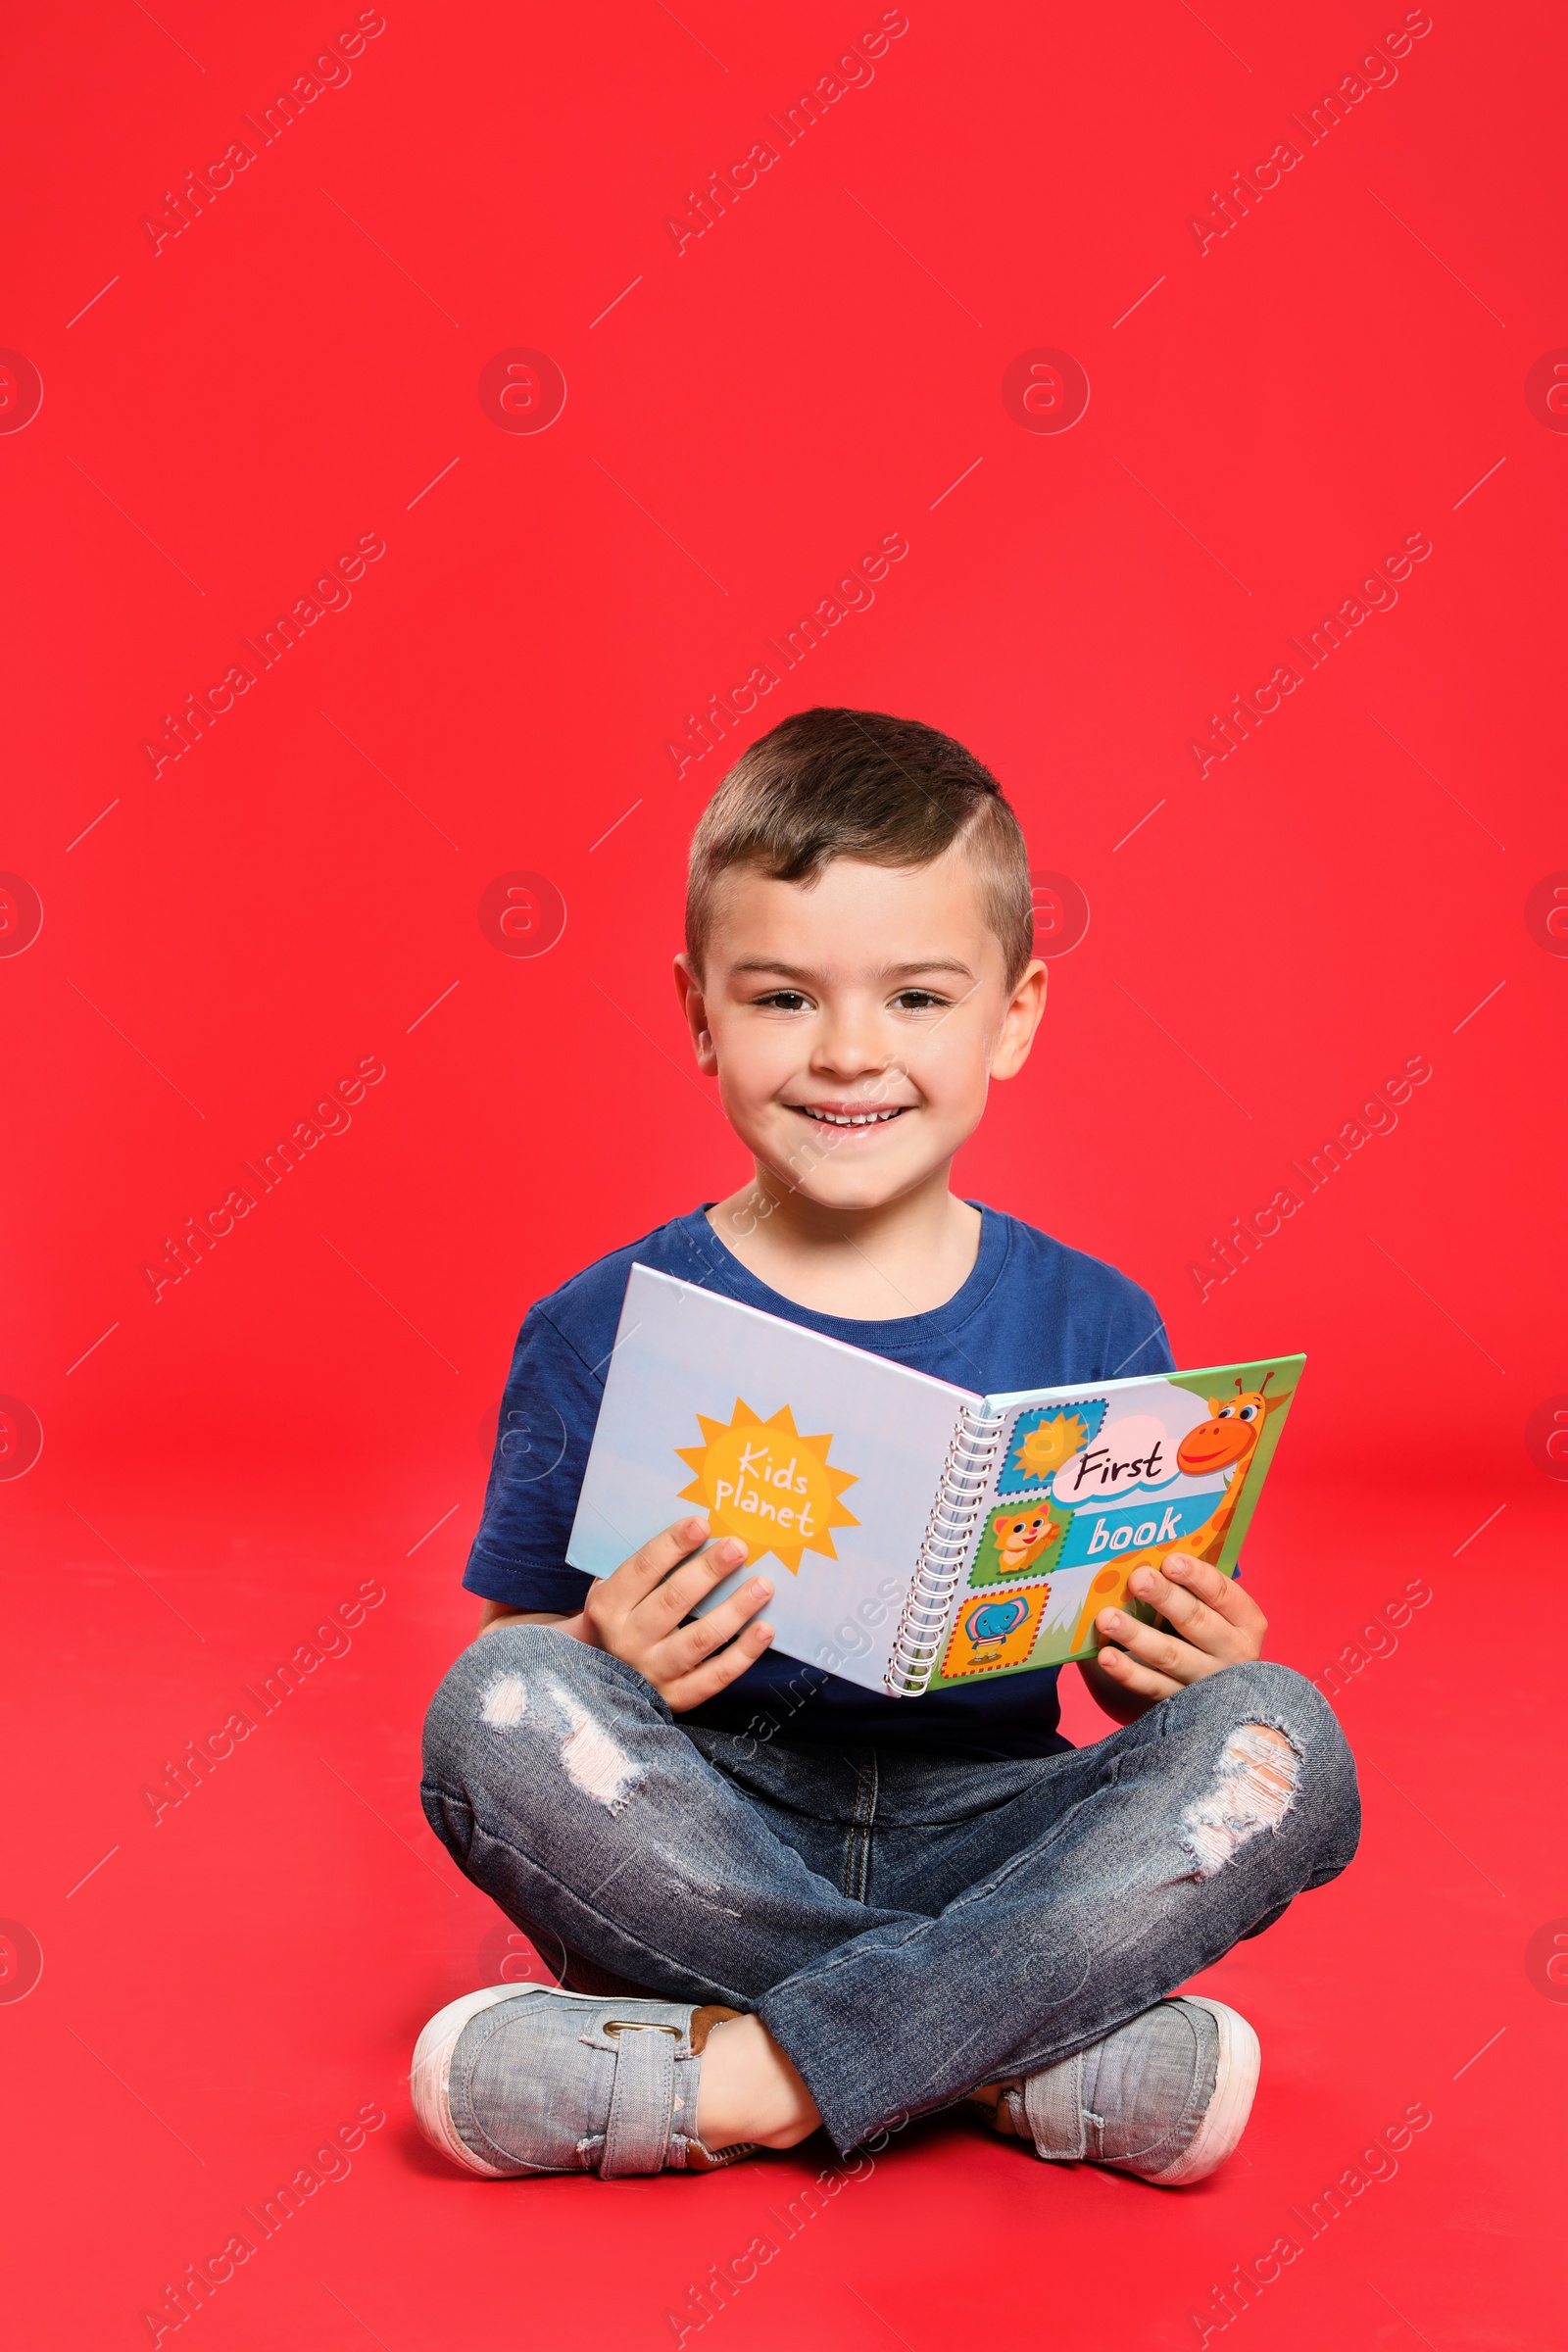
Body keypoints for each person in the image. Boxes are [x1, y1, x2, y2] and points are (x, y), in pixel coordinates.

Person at [414, 708, 1359, 2183]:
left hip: (999, 1835)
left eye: (918, 998)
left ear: (1016, 1013)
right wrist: (604, 1653)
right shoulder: (597, 1325)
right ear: (698, 1011)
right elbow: (518, 1666)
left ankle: (744, 2078)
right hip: (716, 1841)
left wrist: (1182, 1656)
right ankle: (1009, 2056)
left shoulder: (1101, 1319)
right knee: (493, 1705)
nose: (851, 1054)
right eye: (784, 997)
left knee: (1278, 1739)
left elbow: (1127, 1690)